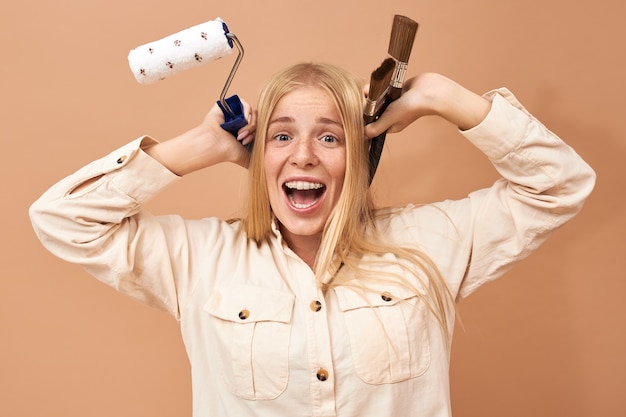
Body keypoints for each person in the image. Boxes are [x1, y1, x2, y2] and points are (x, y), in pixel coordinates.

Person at [29, 62, 595, 417]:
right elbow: (60, 218)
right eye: (281, 136)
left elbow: (561, 183)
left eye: (330, 136)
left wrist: (445, 97)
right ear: (259, 156)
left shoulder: (429, 243)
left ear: (361, 154)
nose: (303, 155)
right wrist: (195, 149)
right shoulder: (198, 260)